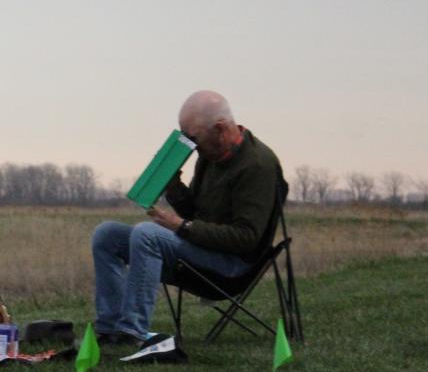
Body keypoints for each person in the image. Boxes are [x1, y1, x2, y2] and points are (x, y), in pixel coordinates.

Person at [91, 90, 284, 352]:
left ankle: (132, 332)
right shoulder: (210, 157)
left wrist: (180, 226)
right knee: (106, 234)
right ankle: (110, 329)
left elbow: (246, 238)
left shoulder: (257, 165)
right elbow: (195, 211)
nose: (189, 145)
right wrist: (173, 187)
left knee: (147, 233)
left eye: (193, 137)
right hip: (201, 252)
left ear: (220, 129)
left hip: (231, 267)